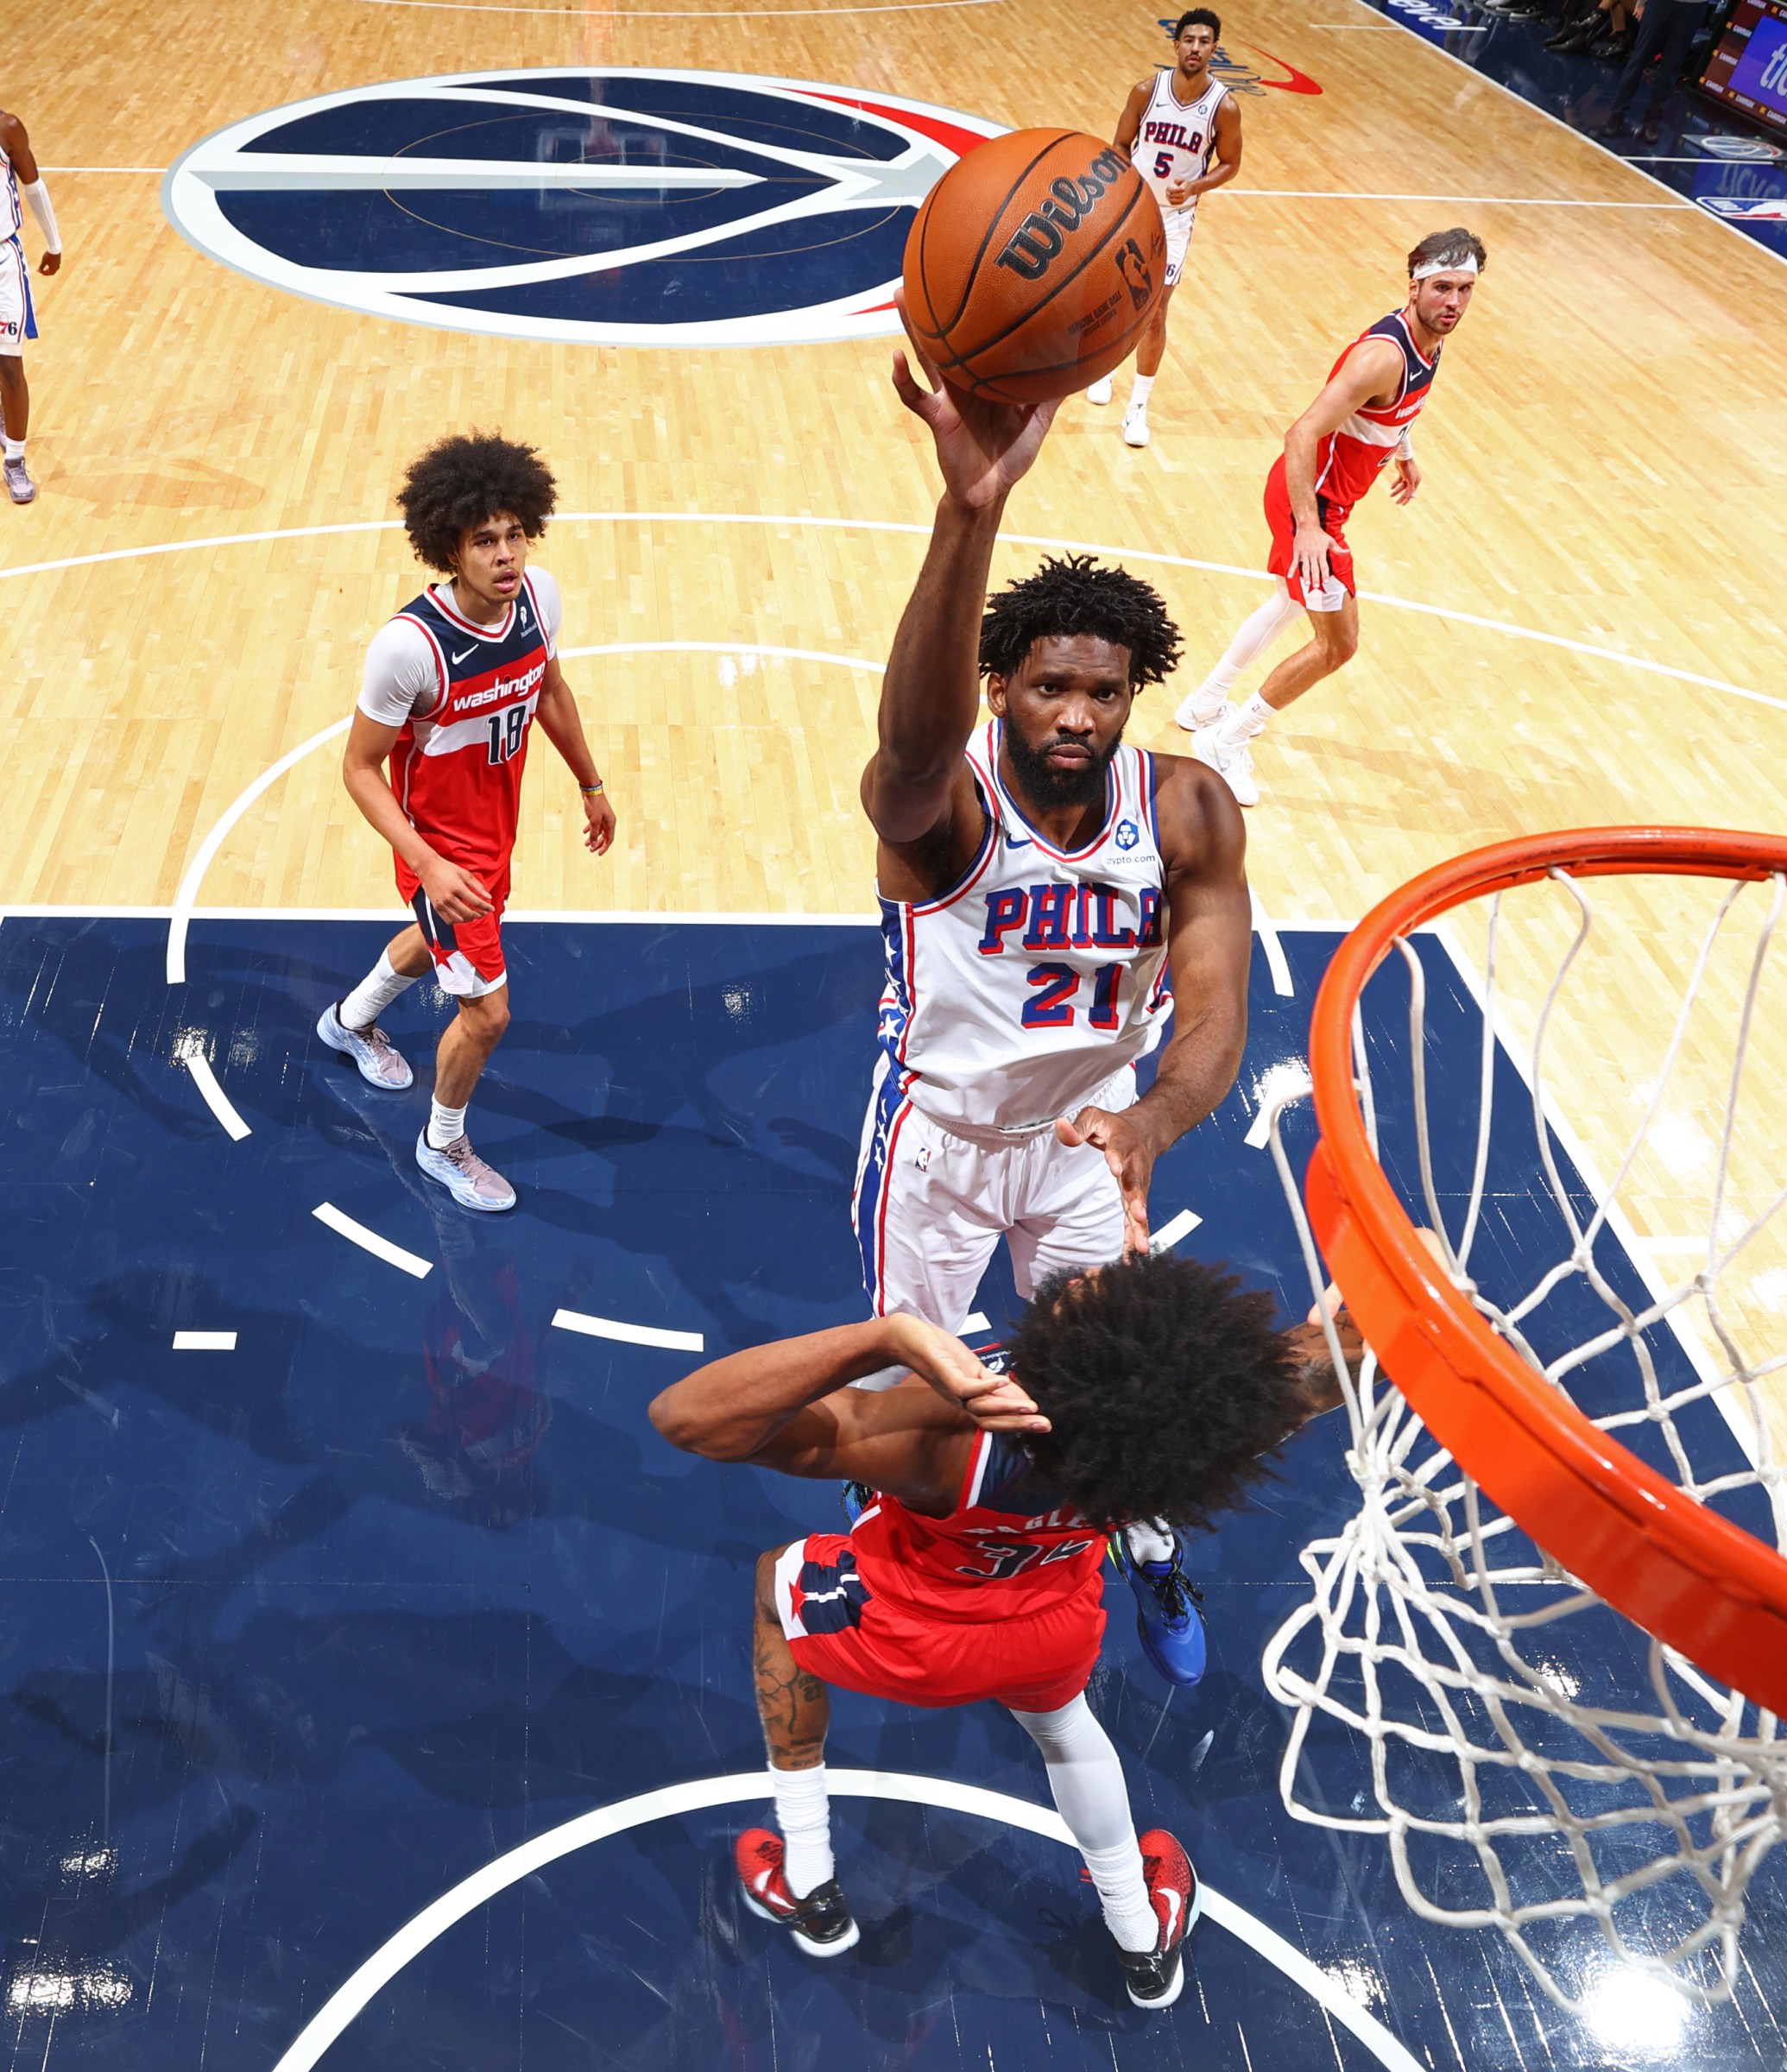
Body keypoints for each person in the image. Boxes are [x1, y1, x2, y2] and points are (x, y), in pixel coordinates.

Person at [855, 299, 1253, 1679]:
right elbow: (903, 746)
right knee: (928, 1379)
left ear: (1135, 692)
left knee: (1112, 1385)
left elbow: (1211, 1012)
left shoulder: (1188, 810)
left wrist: (1156, 1120)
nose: (1076, 714)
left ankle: (1138, 1538)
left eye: (1103, 689)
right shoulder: (947, 809)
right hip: (941, 1147)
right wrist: (968, 513)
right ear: (1002, 690)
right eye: (1045, 688)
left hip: (1088, 1140)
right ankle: (907, 1548)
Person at [646, 1250, 1347, 2002]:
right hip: (1049, 1624)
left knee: (772, 1589)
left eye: (1095, 1293)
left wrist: (882, 1339)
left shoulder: (947, 1439)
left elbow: (685, 1418)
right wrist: (1393, 1287)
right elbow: (1353, 1352)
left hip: (914, 1632)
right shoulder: (1210, 1416)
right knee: (1065, 1733)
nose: (1088, 1275)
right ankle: (1141, 1938)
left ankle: (808, 1875)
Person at [321, 434, 616, 1212]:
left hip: (494, 837)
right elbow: (359, 768)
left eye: (515, 533)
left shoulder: (540, 600)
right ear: (448, 546)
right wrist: (427, 864)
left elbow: (549, 688)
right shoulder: (409, 650)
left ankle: (349, 1024)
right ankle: (441, 1142)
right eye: (484, 539)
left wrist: (591, 782)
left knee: (440, 946)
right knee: (486, 1014)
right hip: (439, 850)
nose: (506, 554)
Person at [1180, 228, 1486, 807]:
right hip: (1311, 506)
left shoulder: (1431, 339)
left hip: (1323, 503)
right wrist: (1311, 529)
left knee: (1288, 603)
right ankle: (1227, 739)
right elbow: (1300, 433)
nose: (1454, 302)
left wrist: (1405, 452)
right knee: (1338, 645)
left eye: (1465, 289)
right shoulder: (1382, 358)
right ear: (1414, 284)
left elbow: (1397, 412)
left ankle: (1204, 703)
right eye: (1443, 287)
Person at [1084, 9, 1243, 450]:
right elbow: (1120, 143)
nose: (1195, 48)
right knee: (1115, 296)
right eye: (1188, 40)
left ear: (1215, 48)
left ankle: (1138, 406)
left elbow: (1231, 164)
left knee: (1153, 309)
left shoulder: (1224, 107)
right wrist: (1123, 181)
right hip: (1132, 208)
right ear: (1175, 45)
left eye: (1205, 41)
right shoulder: (1146, 92)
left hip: (1174, 219)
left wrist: (1196, 184)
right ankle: (1105, 368)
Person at [0, 103, 61, 507]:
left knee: (9, 364)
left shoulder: (7, 128)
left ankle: (15, 459)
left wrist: (54, 244)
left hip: (3, 261)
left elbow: (33, 185)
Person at [1596, 0, 1714, 142]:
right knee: (1639, 58)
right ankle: (1617, 114)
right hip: (1659, 4)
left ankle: (1652, 122)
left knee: (1671, 66)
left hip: (1694, 6)